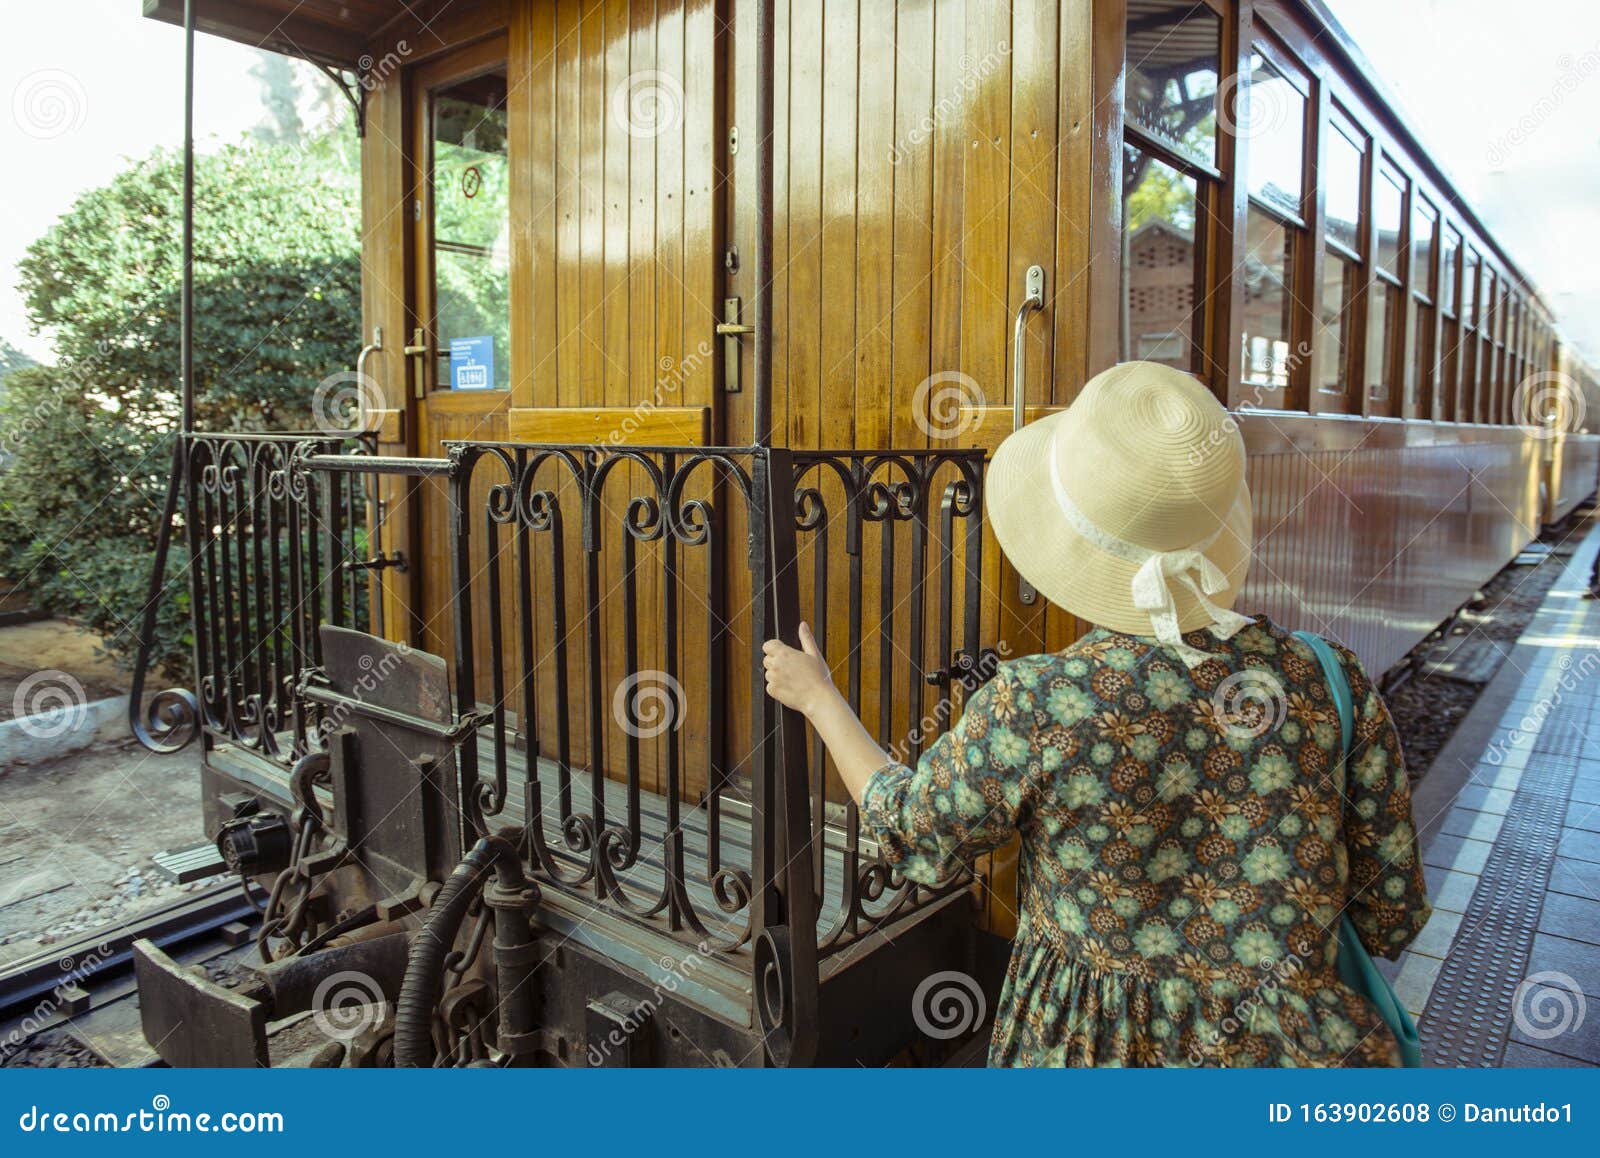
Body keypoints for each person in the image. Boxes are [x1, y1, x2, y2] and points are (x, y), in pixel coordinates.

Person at [763, 361, 1432, 1067]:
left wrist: (819, 699)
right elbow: (1392, 914)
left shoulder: (1041, 703)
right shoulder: (1331, 679)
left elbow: (913, 833)